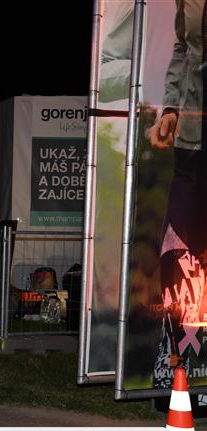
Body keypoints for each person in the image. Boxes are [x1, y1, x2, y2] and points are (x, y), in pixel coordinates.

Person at [148, 0, 207, 388]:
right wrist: (171, 106)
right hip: (192, 140)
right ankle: (177, 359)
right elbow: (184, 48)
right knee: (177, 248)